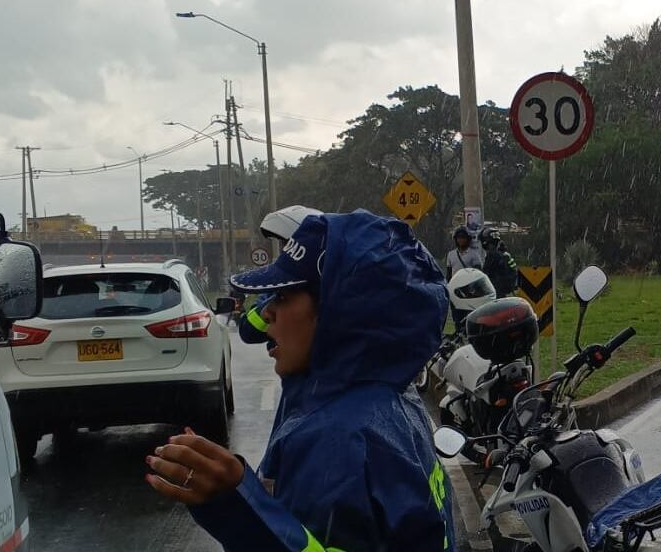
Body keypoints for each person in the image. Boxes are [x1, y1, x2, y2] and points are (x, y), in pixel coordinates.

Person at [145, 211, 455, 551]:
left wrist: (238, 506)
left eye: (283, 296)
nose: (266, 313)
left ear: (340, 313)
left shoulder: (338, 438)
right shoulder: (397, 399)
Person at [238, 205, 322, 346]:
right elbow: (248, 332)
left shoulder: (335, 287)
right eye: (284, 244)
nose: (285, 250)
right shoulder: (277, 284)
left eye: (289, 244)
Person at [480, 227, 519, 297]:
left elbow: (485, 276)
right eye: (492, 244)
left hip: (497, 294)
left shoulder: (494, 257)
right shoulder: (505, 255)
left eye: (493, 243)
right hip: (507, 293)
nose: (492, 246)